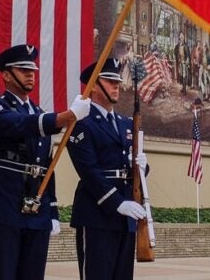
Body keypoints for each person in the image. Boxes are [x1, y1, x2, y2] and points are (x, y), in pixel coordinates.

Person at [0, 44, 91, 280]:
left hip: (37, 207)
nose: (30, 74)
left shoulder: (39, 112)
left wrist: (52, 208)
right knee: (1, 274)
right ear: (6, 75)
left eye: (32, 70)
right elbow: (17, 124)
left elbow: (48, 165)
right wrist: (63, 118)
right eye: (23, 69)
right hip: (3, 202)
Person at [67, 58, 149, 280]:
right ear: (94, 85)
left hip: (126, 216)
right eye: (110, 81)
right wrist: (117, 203)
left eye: (118, 82)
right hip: (97, 213)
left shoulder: (124, 123)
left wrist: (142, 166)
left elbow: (131, 168)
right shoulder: (81, 122)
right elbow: (88, 170)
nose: (117, 86)